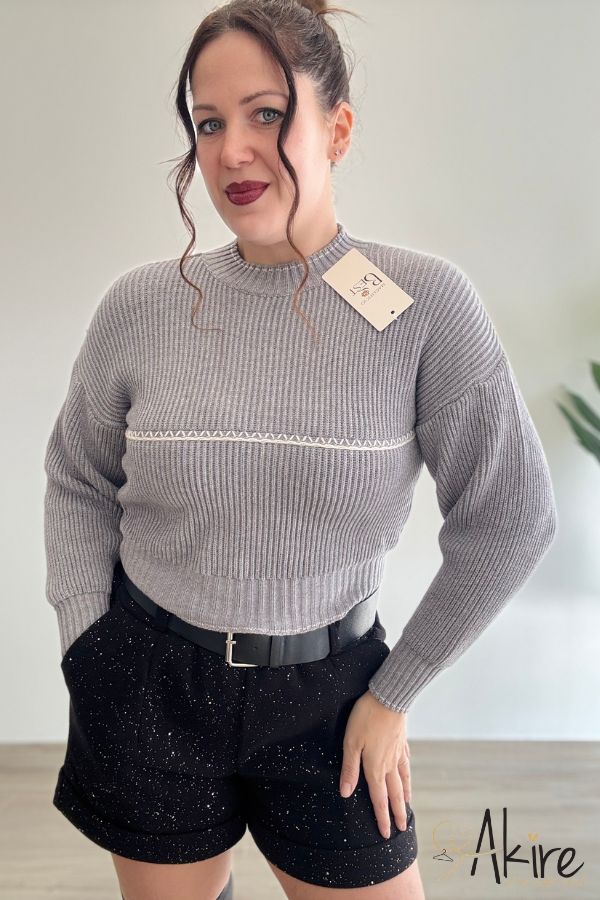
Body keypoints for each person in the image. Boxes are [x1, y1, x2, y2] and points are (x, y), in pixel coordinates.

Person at [43, 1, 559, 898]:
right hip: (150, 681)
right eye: (209, 123)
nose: (233, 151)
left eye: (268, 114)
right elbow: (78, 477)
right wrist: (88, 646)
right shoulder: (139, 306)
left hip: (333, 704)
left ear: (339, 129)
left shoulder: (424, 307)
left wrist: (395, 694)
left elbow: (512, 518)